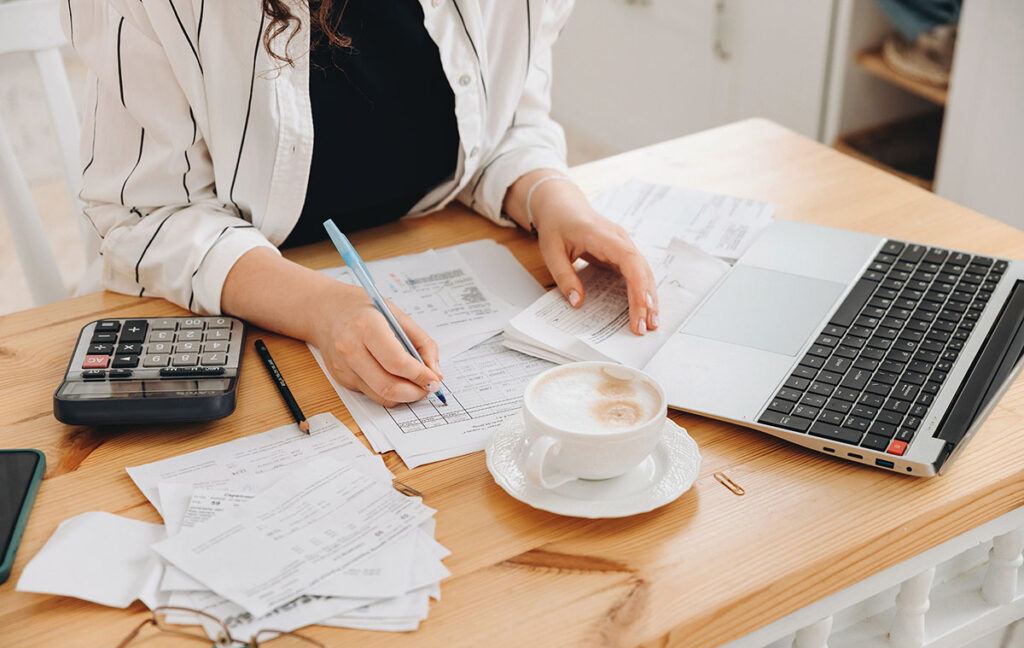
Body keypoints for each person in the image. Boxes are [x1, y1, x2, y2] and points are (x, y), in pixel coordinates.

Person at [63, 0, 658, 406]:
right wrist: (322, 308)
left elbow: (500, 125)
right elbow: (146, 217)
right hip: (229, 317)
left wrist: (551, 198)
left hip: (432, 257)